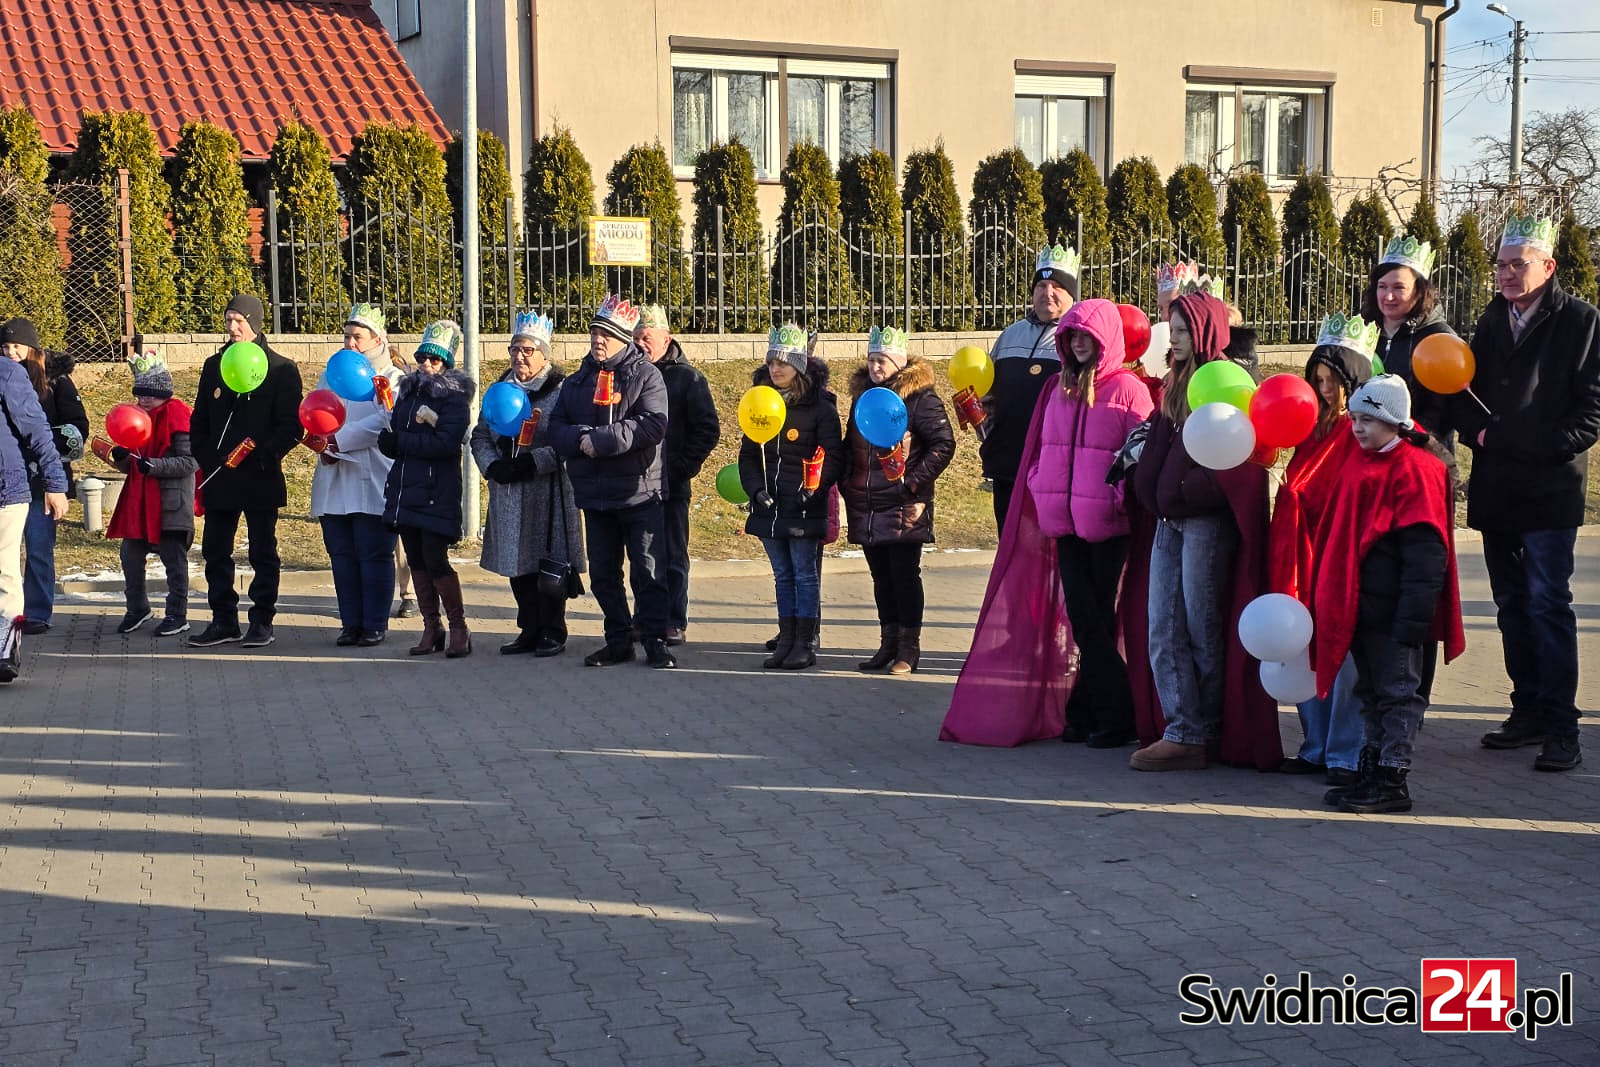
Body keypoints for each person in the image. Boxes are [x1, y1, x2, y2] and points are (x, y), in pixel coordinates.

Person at [1455, 215, 1600, 773]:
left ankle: (1563, 728)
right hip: (1498, 487)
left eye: (1519, 264)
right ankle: (1527, 709)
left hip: (1548, 489)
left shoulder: (1581, 321)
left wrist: (1540, 447)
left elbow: (1591, 410)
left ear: (1549, 266)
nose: (1507, 274)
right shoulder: (1493, 318)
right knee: (1511, 604)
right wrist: (1477, 433)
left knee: (1547, 603)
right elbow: (1467, 390)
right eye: (1501, 265)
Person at [1126, 291, 1278, 771]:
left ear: (1206, 332)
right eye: (1172, 329)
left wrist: (1187, 490)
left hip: (1205, 523)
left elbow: (1235, 459)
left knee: (1202, 628)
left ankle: (1204, 730)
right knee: (1161, 626)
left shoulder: (1227, 381)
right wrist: (1149, 484)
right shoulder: (1175, 382)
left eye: (1184, 330)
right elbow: (1162, 440)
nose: (1174, 338)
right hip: (1167, 519)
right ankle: (1182, 727)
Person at [1311, 375, 1464, 813]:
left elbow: (1426, 554)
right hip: (1362, 607)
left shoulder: (1416, 469)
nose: (1357, 427)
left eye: (1368, 420)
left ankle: (1393, 777)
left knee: (1398, 694)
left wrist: (1412, 621)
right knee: (1370, 693)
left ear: (1394, 421)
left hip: (1395, 614)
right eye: (1355, 418)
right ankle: (1371, 767)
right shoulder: (1360, 462)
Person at [1031, 300, 1154, 742]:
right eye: (1073, 336)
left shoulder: (1128, 389)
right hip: (1065, 521)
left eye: (1088, 336)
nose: (1080, 343)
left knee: (1093, 618)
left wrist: (1117, 497)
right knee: (1087, 618)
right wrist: (1038, 481)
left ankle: (1116, 714)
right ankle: (1090, 709)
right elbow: (1044, 445)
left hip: (1106, 524)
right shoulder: (1059, 387)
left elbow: (1140, 449)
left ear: (1106, 340)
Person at [1269, 314, 1376, 784]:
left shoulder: (1360, 430)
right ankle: (1314, 745)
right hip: (1304, 550)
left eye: (1334, 380)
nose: (1326, 389)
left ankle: (1346, 752)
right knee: (1304, 648)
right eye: (1318, 380)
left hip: (1342, 554)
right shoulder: (1310, 428)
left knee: (1344, 655)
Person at [547, 295, 675, 670]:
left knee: (648, 573)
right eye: (594, 332)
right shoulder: (577, 381)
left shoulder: (647, 375)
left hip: (639, 494)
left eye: (606, 334)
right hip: (595, 495)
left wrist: (602, 440)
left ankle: (654, 640)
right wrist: (580, 438)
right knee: (604, 575)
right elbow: (556, 428)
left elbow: (652, 424)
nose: (598, 339)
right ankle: (618, 640)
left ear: (624, 339)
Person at [189, 294, 303, 648]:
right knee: (215, 550)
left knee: (262, 551)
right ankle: (223, 620)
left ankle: (262, 620)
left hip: (259, 475)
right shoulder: (214, 366)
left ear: (254, 322)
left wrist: (264, 455)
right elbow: (200, 419)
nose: (233, 327)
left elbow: (291, 425)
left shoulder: (281, 368)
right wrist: (208, 457)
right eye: (228, 320)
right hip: (221, 475)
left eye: (239, 320)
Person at [840, 326, 955, 675]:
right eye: (872, 360)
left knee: (904, 575)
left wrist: (912, 482)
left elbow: (943, 443)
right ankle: (887, 643)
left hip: (904, 504)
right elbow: (851, 443)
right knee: (880, 577)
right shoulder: (864, 397)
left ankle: (909, 647)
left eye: (883, 361)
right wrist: (848, 480)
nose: (876, 367)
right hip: (867, 501)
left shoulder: (920, 398)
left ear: (900, 363)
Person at [470, 311, 585, 658]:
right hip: (509, 490)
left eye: (528, 350)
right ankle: (529, 628)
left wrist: (535, 461)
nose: (519, 356)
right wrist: (492, 465)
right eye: (515, 349)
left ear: (544, 355)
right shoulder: (500, 389)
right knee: (516, 564)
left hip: (546, 492)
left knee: (548, 564)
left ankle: (553, 629)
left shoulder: (561, 391)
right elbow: (480, 434)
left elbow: (570, 439)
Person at [740, 323, 842, 671]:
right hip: (770, 506)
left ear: (798, 365)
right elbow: (748, 456)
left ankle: (804, 642)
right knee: (782, 575)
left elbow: (833, 457)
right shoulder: (759, 403)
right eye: (771, 362)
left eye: (783, 362)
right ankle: (786, 639)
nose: (775, 368)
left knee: (804, 574)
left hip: (803, 506)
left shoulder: (820, 408)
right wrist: (756, 490)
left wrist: (812, 491)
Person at [309, 304, 404, 647]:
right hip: (334, 477)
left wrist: (339, 440)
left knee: (374, 553)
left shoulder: (392, 378)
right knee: (342, 556)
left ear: (377, 340)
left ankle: (375, 623)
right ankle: (350, 623)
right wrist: (318, 439)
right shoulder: (332, 372)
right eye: (347, 336)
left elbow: (385, 420)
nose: (350, 343)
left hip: (373, 478)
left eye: (357, 337)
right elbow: (315, 408)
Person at [379, 321, 475, 658]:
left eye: (434, 360)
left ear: (446, 363)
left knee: (436, 559)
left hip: (437, 491)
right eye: (422, 358)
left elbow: (447, 442)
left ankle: (459, 627)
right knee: (416, 560)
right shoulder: (408, 393)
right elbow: (397, 429)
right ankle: (431, 626)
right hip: (406, 489)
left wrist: (402, 442)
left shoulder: (454, 398)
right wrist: (389, 442)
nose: (426, 364)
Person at [634, 304, 719, 646]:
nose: (640, 343)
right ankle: (644, 618)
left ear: (666, 339)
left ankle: (673, 620)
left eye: (647, 337)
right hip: (634, 484)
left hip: (671, 483)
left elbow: (707, 429)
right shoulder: (628, 373)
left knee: (671, 555)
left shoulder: (688, 378)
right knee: (641, 556)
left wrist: (681, 467)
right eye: (636, 337)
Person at [981, 244, 1077, 534]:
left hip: (1052, 471)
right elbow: (989, 397)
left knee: (1046, 549)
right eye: (1041, 286)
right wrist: (978, 417)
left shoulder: (1078, 339)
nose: (1047, 292)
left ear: (1072, 293)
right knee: (1009, 544)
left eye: (1057, 286)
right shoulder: (1010, 335)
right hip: (1007, 466)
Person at [101, 350, 197, 637]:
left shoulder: (178, 415)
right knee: (130, 555)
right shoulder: (136, 417)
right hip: (139, 503)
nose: (143, 399)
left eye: (150, 395)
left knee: (173, 562)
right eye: (140, 394)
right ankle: (137, 608)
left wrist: (154, 466)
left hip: (170, 503)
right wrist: (120, 458)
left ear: (163, 393)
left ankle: (177, 614)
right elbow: (133, 463)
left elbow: (190, 461)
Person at [1, 318, 87, 635]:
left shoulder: (56, 380)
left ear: (32, 348)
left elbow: (78, 426)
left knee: (38, 547)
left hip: (42, 478)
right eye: (5, 346)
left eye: (17, 346)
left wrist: (52, 444)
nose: (11, 352)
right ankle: (10, 613)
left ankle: (37, 611)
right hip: (10, 476)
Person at [0, 341, 67, 682]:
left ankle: (6, 648)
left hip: (9, 487)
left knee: (7, 570)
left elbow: (38, 430)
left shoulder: (7, 373)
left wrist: (55, 482)